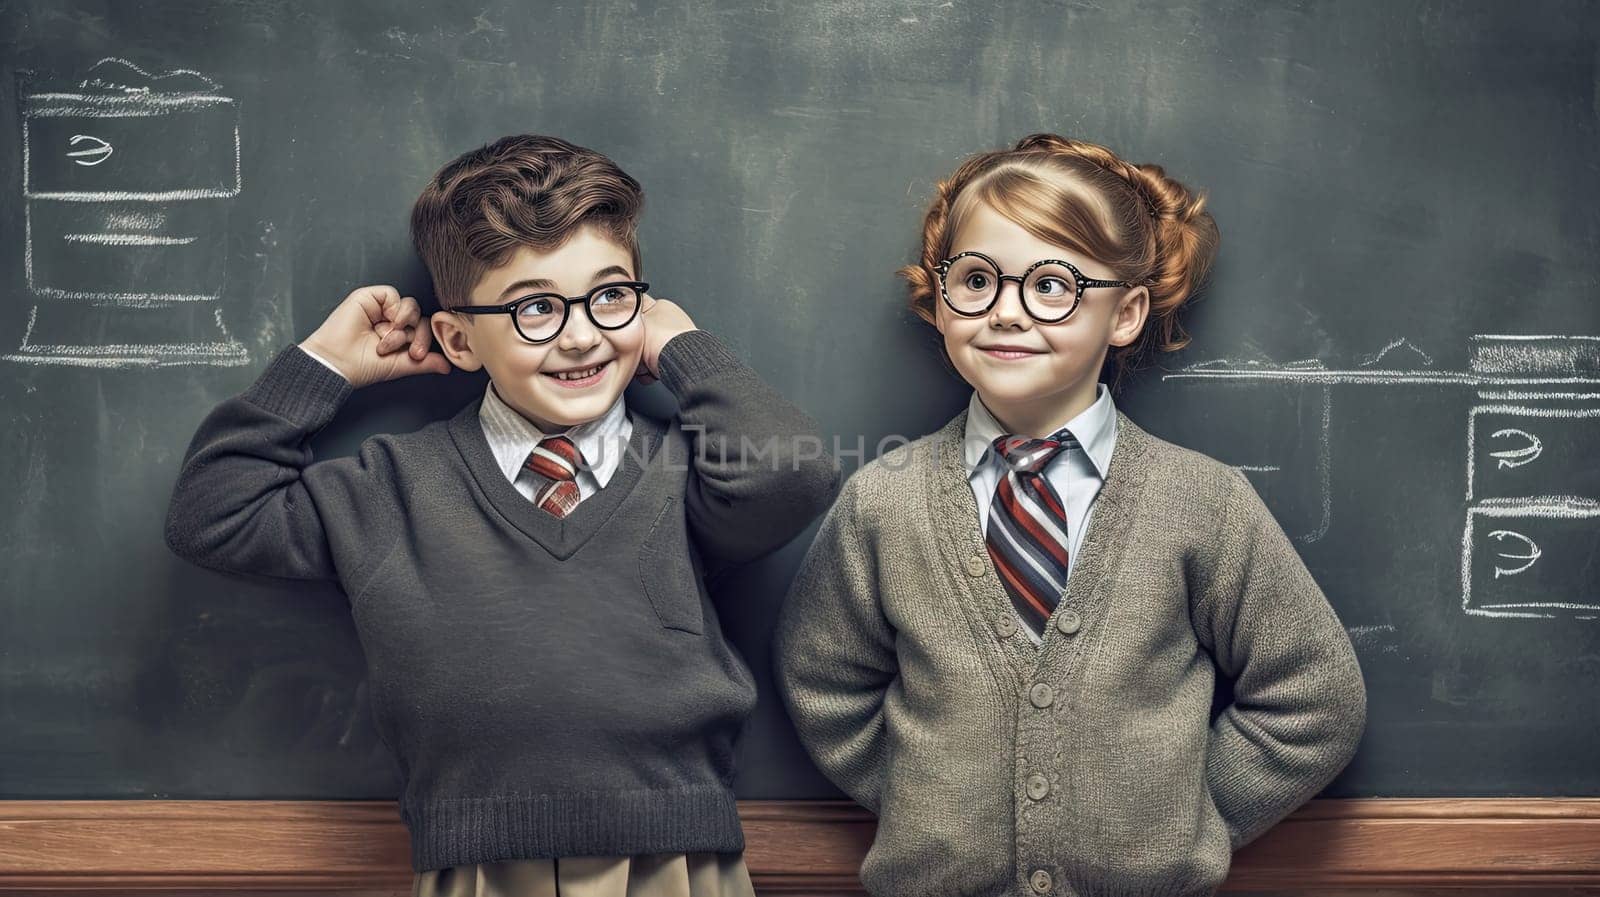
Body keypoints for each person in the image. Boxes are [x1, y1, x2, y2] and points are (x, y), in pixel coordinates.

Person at [165, 134, 840, 897]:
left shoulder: (687, 476)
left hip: (678, 863)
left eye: (610, 296)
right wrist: (326, 365)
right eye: (535, 309)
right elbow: (212, 512)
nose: (581, 335)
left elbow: (797, 472)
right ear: (458, 338)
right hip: (476, 868)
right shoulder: (392, 487)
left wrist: (682, 346)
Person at [772, 133, 1366, 897]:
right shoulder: (882, 499)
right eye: (978, 279)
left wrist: (1179, 814)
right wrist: (930, 802)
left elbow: (1315, 695)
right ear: (942, 295)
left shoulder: (1202, 502)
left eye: (1052, 285)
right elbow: (824, 681)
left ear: (1126, 313)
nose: (1007, 312)